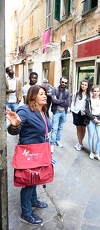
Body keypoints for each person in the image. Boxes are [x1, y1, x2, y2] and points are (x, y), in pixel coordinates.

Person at [6, 85, 52, 225]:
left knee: (36, 178)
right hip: (29, 154)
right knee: (29, 183)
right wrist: (14, 125)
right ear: (33, 96)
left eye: (45, 94)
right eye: (41, 94)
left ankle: (34, 201)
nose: (45, 96)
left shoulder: (43, 110)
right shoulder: (25, 111)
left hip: (40, 151)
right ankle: (26, 213)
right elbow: (14, 129)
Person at [85, 84, 100, 161]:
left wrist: (99, 118)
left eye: (97, 91)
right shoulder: (88, 100)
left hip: (99, 120)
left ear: (99, 92)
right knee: (91, 136)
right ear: (92, 91)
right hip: (91, 119)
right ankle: (91, 152)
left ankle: (97, 153)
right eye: (94, 91)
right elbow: (87, 111)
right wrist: (93, 118)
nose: (96, 93)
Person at [50, 76, 70, 152]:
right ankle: (52, 143)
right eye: (62, 82)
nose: (64, 83)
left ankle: (57, 140)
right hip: (56, 112)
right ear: (60, 82)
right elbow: (54, 101)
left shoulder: (67, 92)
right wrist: (63, 101)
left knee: (60, 128)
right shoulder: (54, 90)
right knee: (54, 128)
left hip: (63, 112)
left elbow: (67, 103)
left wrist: (60, 101)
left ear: (67, 84)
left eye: (65, 83)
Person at [71, 79, 90, 151]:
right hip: (76, 112)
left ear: (87, 86)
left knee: (83, 128)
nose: (83, 86)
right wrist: (73, 110)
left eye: (85, 85)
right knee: (78, 128)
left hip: (85, 113)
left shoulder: (89, 95)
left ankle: (80, 142)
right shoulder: (76, 93)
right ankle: (80, 142)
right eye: (82, 84)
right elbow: (73, 102)